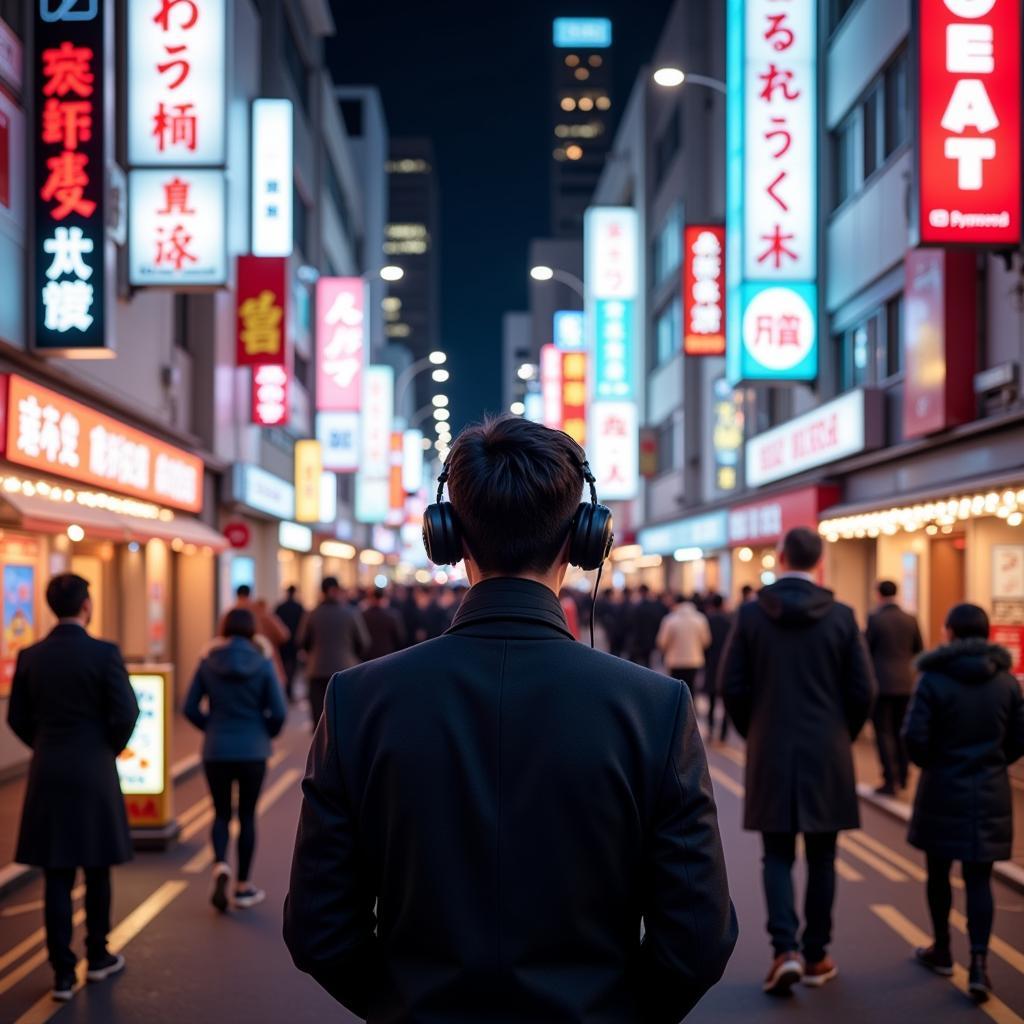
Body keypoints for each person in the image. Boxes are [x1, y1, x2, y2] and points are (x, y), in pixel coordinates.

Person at [284, 415, 737, 1021]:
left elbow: (318, 928)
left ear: (446, 537)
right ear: (583, 539)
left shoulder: (357, 700)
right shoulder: (655, 708)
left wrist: (401, 1005)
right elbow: (698, 941)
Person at [723, 527, 875, 994]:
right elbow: (862, 691)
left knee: (777, 854)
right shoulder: (843, 617)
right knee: (824, 856)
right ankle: (816, 955)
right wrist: (839, 735)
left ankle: (783, 950)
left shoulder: (751, 615)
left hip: (771, 747)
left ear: (782, 556)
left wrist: (757, 731)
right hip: (827, 750)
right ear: (819, 561)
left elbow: (733, 686)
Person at [7, 574, 139, 1002]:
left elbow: (17, 719)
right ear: (86, 605)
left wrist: (46, 745)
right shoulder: (104, 653)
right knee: (97, 867)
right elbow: (126, 711)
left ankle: (62, 973)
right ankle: (97, 957)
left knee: (56, 872)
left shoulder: (31, 655)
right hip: (94, 769)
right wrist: (105, 749)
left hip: (48, 770)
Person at [904, 603, 1024, 1004]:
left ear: (952, 633)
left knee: (939, 873)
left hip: (942, 788)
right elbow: (1018, 741)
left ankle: (941, 949)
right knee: (979, 878)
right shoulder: (1007, 682)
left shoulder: (933, 679)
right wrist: (992, 762)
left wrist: (938, 763)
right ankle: (979, 964)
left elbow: (914, 739)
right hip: (990, 791)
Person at [184, 608, 286, 912]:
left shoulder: (208, 661)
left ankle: (219, 865)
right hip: (253, 748)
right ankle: (242, 886)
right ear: (253, 631)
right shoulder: (263, 662)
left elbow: (190, 707)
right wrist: (263, 733)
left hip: (216, 748)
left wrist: (212, 727)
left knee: (220, 813)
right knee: (247, 816)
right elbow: (279, 712)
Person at [865, 580, 923, 795]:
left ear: (879, 594)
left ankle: (890, 778)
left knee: (884, 732)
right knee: (902, 730)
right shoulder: (910, 619)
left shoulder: (875, 619)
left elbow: (866, 650)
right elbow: (919, 647)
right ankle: (904, 774)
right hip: (907, 682)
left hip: (881, 683)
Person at [298, 576, 369, 728]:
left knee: (319, 721)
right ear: (336, 591)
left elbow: (302, 642)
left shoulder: (312, 614)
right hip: (346, 670)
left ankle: (321, 750)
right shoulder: (351, 613)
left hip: (316, 671)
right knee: (344, 719)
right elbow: (363, 643)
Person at [656, 595, 711, 700]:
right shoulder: (700, 619)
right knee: (691, 688)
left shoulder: (670, 619)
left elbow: (662, 642)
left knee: (676, 689)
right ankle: (690, 711)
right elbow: (706, 641)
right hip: (694, 659)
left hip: (674, 660)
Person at [704, 593, 734, 740]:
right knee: (725, 701)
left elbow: (704, 643)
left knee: (711, 699)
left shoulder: (707, 620)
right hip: (726, 663)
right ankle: (723, 732)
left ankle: (710, 728)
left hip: (711, 663)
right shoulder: (730, 621)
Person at [274, 585, 306, 704]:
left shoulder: (280, 607)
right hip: (294, 642)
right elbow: (303, 626)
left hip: (282, 642)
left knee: (283, 665)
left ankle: (286, 691)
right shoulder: (299, 607)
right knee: (292, 667)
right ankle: (289, 691)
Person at [361, 588, 406, 660]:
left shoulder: (362, 616)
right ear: (384, 598)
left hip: (368, 659)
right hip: (388, 656)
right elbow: (400, 638)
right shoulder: (392, 615)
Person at [629, 583, 667, 667]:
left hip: (640, 638)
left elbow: (635, 624)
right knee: (648, 661)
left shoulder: (638, 607)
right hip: (650, 637)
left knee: (639, 662)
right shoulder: (653, 606)